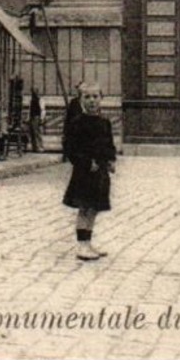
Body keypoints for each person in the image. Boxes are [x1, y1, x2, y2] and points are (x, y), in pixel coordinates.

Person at [62, 83, 116, 260]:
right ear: (80, 100)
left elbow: (109, 144)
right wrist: (84, 162)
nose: (92, 101)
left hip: (100, 172)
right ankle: (81, 245)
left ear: (101, 99)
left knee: (94, 208)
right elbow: (70, 149)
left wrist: (110, 160)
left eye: (95, 97)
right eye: (87, 97)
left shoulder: (104, 123)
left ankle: (89, 242)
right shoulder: (77, 123)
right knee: (84, 208)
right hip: (84, 174)